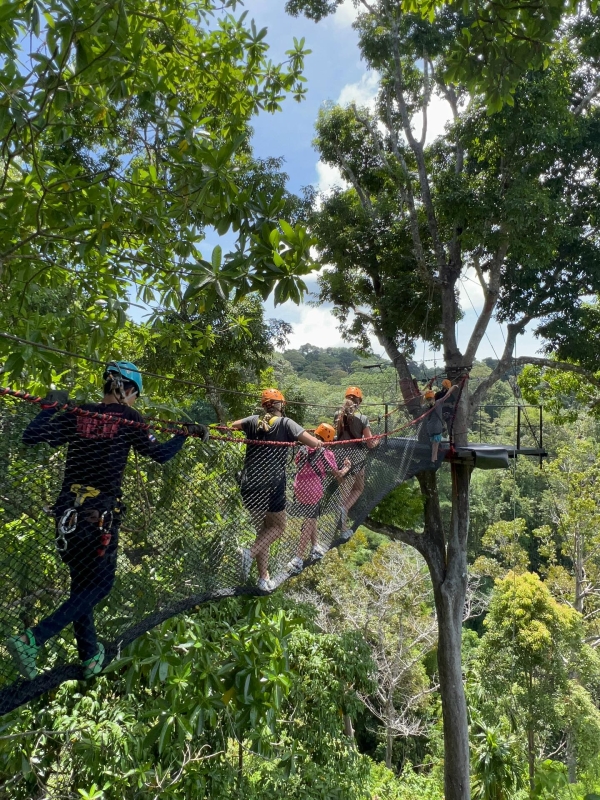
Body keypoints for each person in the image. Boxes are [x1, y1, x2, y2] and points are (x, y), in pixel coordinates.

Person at [6, 361, 208, 681]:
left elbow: (32, 435)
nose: (134, 401)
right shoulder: (130, 418)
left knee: (81, 588)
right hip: (97, 519)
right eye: (135, 394)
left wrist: (48, 407)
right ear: (127, 389)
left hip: (66, 520)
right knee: (100, 586)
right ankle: (33, 639)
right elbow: (160, 455)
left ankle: (89, 655)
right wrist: (185, 435)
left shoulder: (79, 413)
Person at [231, 389, 322, 591]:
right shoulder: (286, 423)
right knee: (279, 527)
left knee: (263, 531)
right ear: (280, 405)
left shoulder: (253, 420)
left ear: (264, 405)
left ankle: (264, 579)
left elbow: (233, 425)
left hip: (249, 484)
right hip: (272, 485)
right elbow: (314, 443)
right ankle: (249, 553)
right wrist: (316, 441)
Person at [287, 423, 351, 574]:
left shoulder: (303, 448)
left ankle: (315, 547)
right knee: (309, 522)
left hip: (299, 487)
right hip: (313, 490)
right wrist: (347, 466)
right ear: (328, 439)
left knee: (312, 517)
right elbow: (338, 474)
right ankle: (298, 559)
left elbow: (297, 462)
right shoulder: (327, 453)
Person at [334, 386, 377, 540]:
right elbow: (370, 443)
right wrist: (376, 441)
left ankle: (342, 513)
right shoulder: (362, 418)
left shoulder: (336, 416)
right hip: (356, 458)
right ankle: (343, 526)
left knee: (344, 492)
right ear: (358, 402)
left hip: (339, 456)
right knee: (357, 489)